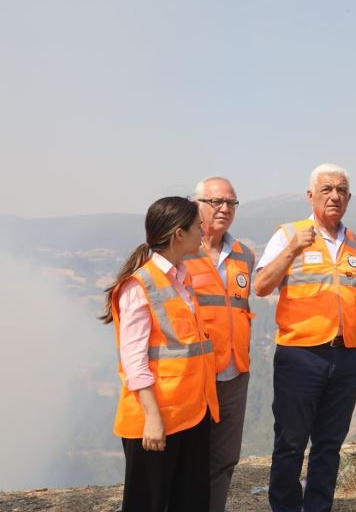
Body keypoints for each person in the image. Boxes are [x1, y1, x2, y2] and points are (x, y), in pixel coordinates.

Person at [254, 163, 356, 511]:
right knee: (291, 443)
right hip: (300, 355)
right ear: (311, 196)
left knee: (329, 443)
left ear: (349, 198)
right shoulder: (288, 234)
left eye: (341, 190)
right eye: (326, 190)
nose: (334, 196)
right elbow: (261, 286)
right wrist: (291, 249)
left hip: (347, 356)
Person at [100, 197, 219, 512]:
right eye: (198, 226)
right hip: (157, 419)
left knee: (191, 502)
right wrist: (153, 418)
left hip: (190, 413)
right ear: (179, 234)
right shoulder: (140, 286)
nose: (203, 231)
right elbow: (134, 362)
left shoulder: (181, 278)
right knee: (148, 504)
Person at [184, 177, 255, 511]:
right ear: (195, 204)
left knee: (225, 459)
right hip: (193, 377)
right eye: (216, 202)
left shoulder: (244, 255)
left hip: (234, 373)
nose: (225, 208)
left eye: (231, 202)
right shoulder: (180, 252)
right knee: (188, 460)